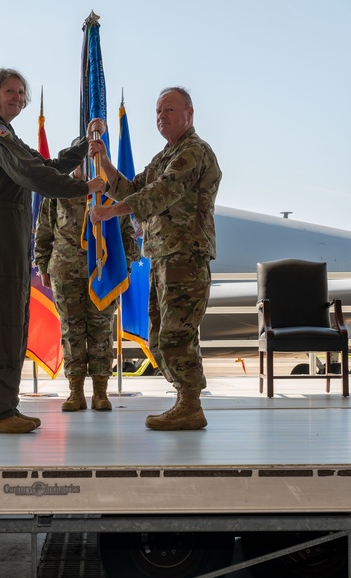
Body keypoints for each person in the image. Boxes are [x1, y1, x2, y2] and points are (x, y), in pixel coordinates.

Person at [0, 68, 106, 434]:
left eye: (21, 93)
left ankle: (4, 406)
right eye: (9, 91)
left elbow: (47, 166)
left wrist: (84, 144)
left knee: (13, 320)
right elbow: (31, 173)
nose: (17, 97)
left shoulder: (7, 134)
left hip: (9, 231)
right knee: (3, 322)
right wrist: (82, 189)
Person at [89, 87, 221, 430]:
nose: (162, 117)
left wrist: (110, 212)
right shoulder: (166, 155)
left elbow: (160, 194)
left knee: (178, 334)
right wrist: (104, 163)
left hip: (186, 257)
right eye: (158, 112)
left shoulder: (193, 152)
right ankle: (185, 399)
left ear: (189, 114)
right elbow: (135, 188)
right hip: (163, 257)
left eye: (169, 110)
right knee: (160, 336)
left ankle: (191, 404)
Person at [35, 164, 139, 413]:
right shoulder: (57, 191)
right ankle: (75, 392)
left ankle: (101, 393)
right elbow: (44, 231)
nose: (87, 164)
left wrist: (125, 267)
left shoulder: (111, 192)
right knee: (72, 333)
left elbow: (126, 233)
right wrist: (43, 265)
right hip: (65, 271)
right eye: (82, 159)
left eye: (91, 158)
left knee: (101, 332)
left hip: (103, 272)